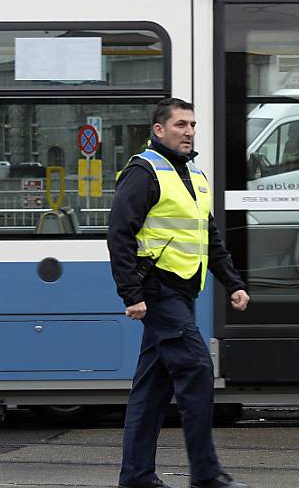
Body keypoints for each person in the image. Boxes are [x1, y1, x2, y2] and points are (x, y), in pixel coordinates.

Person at [108, 97, 251, 488]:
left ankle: (136, 477)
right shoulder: (144, 172)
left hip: (184, 293)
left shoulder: (194, 175)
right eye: (180, 125)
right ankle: (205, 474)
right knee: (199, 369)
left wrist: (233, 283)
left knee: (152, 388)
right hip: (158, 291)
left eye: (191, 125)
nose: (188, 131)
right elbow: (119, 234)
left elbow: (210, 237)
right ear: (159, 129)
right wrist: (131, 294)